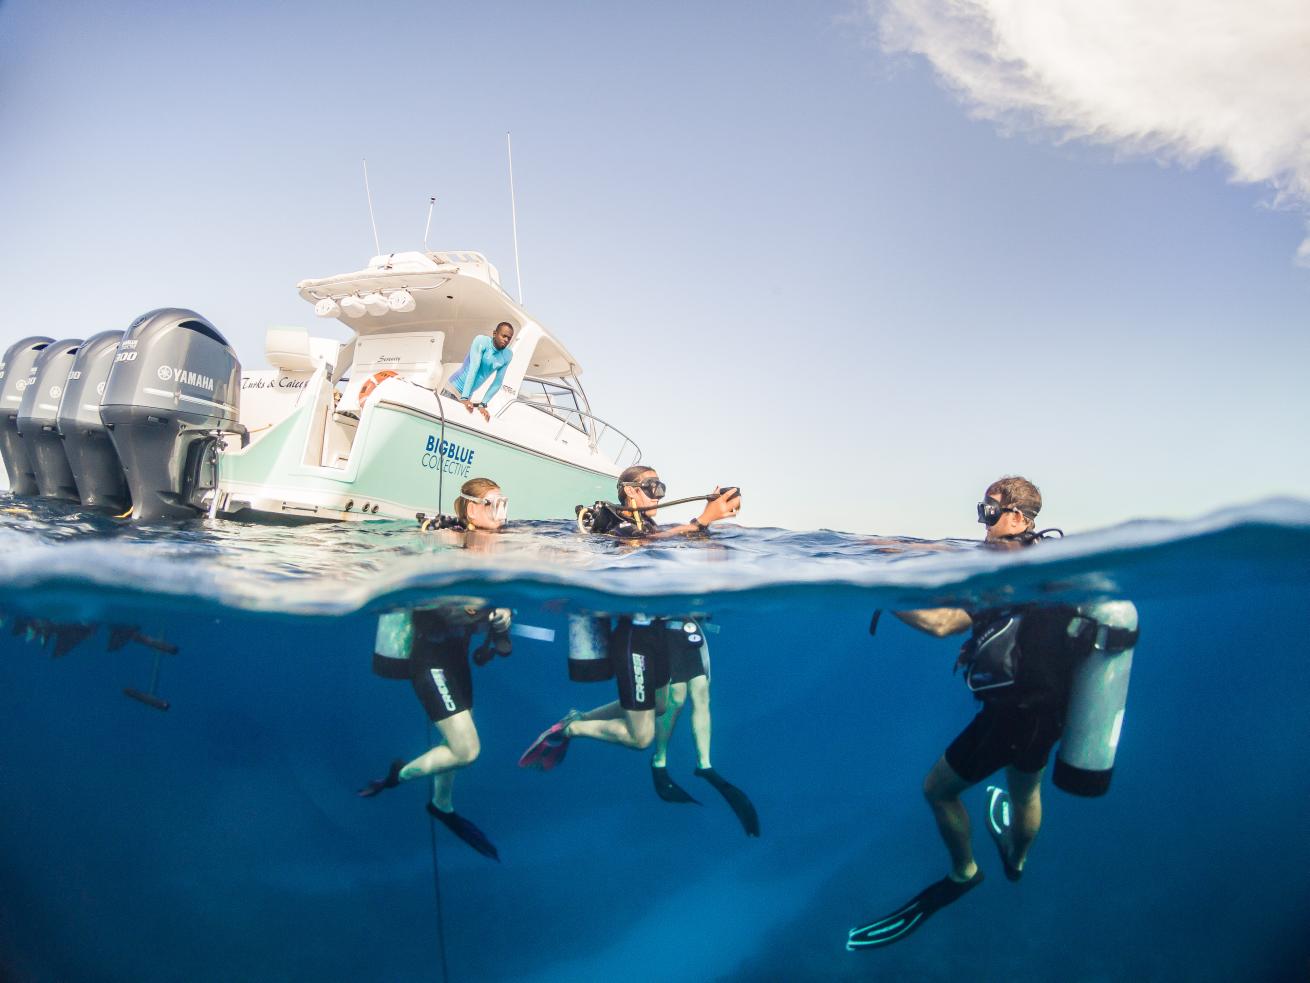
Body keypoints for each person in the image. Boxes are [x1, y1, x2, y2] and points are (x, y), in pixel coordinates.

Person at [848, 476, 1091, 951]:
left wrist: (877, 587)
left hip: (1009, 716)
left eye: (989, 512)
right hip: (1052, 712)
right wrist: (891, 547)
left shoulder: (1002, 570)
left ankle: (965, 873)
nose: (982, 525)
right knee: (1025, 790)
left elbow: (942, 624)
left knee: (937, 790)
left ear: (1019, 518)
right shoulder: (1046, 568)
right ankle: (1017, 863)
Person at [517, 465, 744, 781]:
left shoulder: (649, 526)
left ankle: (576, 717)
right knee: (641, 739)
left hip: (657, 632)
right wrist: (701, 520)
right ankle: (572, 729)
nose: (659, 494)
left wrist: (709, 520)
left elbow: (665, 541)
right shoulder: (621, 529)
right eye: (652, 486)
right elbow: (641, 545)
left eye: (661, 486)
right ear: (630, 490)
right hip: (633, 638)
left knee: (661, 705)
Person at [358, 478, 511, 861]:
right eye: (494, 504)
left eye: (505, 503)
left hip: (456, 659)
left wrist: (501, 620)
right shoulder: (445, 548)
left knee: (456, 745)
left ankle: (442, 806)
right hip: (431, 660)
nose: (502, 512)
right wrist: (484, 612)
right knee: (467, 749)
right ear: (472, 509)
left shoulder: (493, 551)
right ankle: (398, 775)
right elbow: (436, 608)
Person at [649, 635, 760, 837]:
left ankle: (704, 765)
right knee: (676, 696)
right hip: (663, 629)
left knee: (701, 693)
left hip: (687, 629)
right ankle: (659, 759)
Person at [446, 321, 515, 422]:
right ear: (494, 334)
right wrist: (464, 398)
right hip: (452, 389)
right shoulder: (482, 341)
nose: (506, 340)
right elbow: (474, 368)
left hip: (467, 396)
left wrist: (482, 405)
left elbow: (497, 382)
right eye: (504, 336)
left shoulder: (507, 355)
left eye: (509, 338)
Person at [418, 477, 509, 534]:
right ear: (472, 510)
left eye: (501, 505)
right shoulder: (456, 534)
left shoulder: (502, 529)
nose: (500, 512)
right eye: (494, 505)